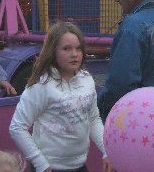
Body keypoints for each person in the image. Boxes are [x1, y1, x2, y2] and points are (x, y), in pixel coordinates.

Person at [9, 21, 111, 172]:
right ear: (53, 51)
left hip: (79, 166)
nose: (74, 54)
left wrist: (106, 151)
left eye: (78, 48)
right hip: (49, 167)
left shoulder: (87, 80)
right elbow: (17, 127)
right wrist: (41, 164)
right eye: (66, 49)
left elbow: (93, 119)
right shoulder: (41, 85)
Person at [97, 0, 154, 119]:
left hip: (138, 114)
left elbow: (121, 82)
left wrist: (103, 108)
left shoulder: (131, 27)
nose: (117, 0)